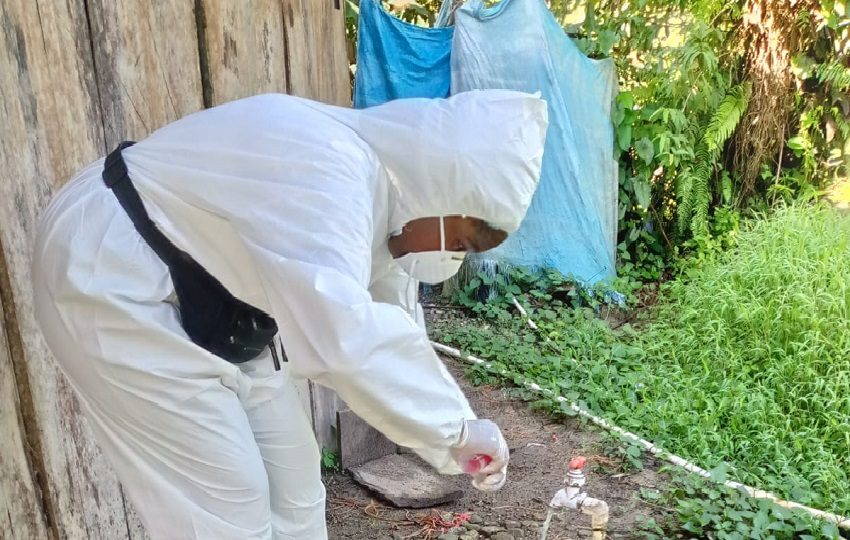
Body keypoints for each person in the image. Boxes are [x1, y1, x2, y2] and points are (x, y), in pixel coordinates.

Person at [31, 90, 547, 539]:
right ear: (437, 191)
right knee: (227, 508)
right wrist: (454, 432)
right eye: (456, 240)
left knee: (296, 483)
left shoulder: (381, 202)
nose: (451, 259)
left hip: (216, 302)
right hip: (110, 272)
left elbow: (391, 316)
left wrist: (457, 423)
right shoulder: (329, 172)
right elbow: (347, 341)